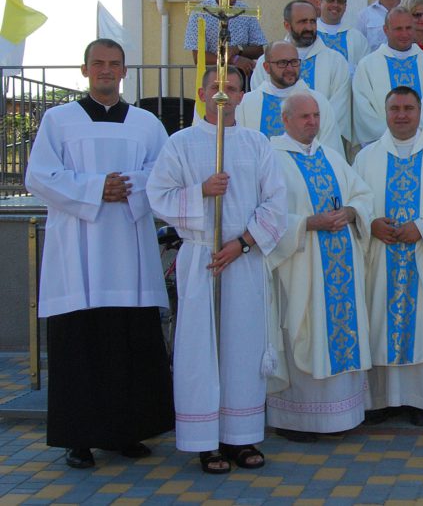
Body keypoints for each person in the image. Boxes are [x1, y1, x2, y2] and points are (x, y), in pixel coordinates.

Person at [26, 38, 174, 470]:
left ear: (125, 71)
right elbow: (40, 174)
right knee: (81, 347)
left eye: (114, 64)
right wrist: (95, 189)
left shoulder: (147, 123)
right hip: (79, 256)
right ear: (85, 69)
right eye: (98, 64)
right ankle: (79, 439)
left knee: (129, 344)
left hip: (130, 254)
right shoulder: (58, 120)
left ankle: (128, 432)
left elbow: (164, 175)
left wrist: (126, 188)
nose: (106, 70)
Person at [147, 66, 287, 474]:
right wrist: (201, 193)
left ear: (243, 96)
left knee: (241, 348)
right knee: (201, 350)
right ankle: (204, 440)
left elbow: (276, 202)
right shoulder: (181, 143)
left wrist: (241, 243)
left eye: (231, 88)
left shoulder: (256, 143)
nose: (222, 95)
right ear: (201, 93)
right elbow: (158, 196)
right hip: (200, 259)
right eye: (215, 87)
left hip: (242, 261)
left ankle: (241, 437)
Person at [353, 87, 423, 426]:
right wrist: (370, 223)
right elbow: (353, 200)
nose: (401, 115)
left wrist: (422, 227)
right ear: (385, 112)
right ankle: (379, 400)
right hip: (380, 257)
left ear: (420, 112)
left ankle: (422, 400)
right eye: (394, 109)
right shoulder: (366, 157)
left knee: (422, 326)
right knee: (378, 325)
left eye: (408, 108)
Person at [264, 92, 374, 442]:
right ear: (285, 120)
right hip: (299, 266)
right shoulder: (271, 157)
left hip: (341, 262)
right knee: (304, 331)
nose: (312, 122)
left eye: (315, 116)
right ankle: (296, 419)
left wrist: (352, 213)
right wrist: (308, 223)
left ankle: (343, 415)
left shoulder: (331, 155)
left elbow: (362, 194)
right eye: (304, 117)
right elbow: (264, 213)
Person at [251, 0, 352, 148]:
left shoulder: (336, 61)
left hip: (316, 144)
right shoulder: (265, 62)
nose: (309, 27)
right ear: (287, 25)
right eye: (303, 22)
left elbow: (338, 109)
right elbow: (257, 104)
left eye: (312, 21)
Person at [352, 6, 423, 146]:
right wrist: (392, 137)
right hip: (383, 144)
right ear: (386, 30)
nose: (404, 34)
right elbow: (364, 111)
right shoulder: (367, 66)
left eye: (408, 28)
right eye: (398, 29)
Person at [235, 41, 342, 148]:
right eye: (282, 63)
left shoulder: (318, 101)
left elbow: (330, 148)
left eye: (294, 62)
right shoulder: (246, 103)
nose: (290, 68)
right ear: (267, 67)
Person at [184, 0, 266, 78]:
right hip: (214, 78)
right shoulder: (201, 13)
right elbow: (198, 56)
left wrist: (238, 49)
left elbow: (258, 50)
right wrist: (233, 60)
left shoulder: (245, 11)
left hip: (243, 79)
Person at [316, 0, 370, 76]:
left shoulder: (357, 38)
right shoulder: (308, 34)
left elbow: (367, 72)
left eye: (340, 1)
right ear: (319, 2)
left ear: (345, 7)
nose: (335, 5)